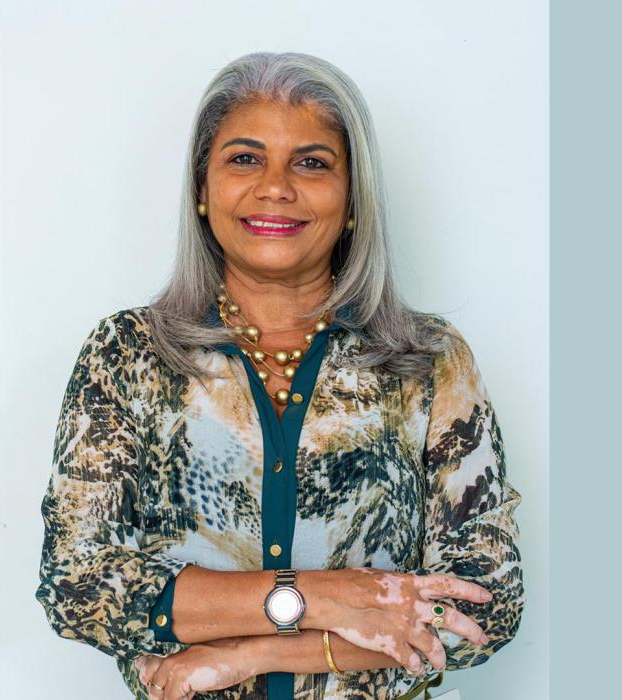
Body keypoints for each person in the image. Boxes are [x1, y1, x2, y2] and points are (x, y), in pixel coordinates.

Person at [35, 51, 525, 700]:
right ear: (202, 188)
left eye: (312, 163)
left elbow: (486, 603)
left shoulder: (428, 360)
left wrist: (248, 654)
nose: (276, 187)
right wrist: (325, 597)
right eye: (244, 158)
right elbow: (77, 587)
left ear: (353, 199)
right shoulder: (129, 354)